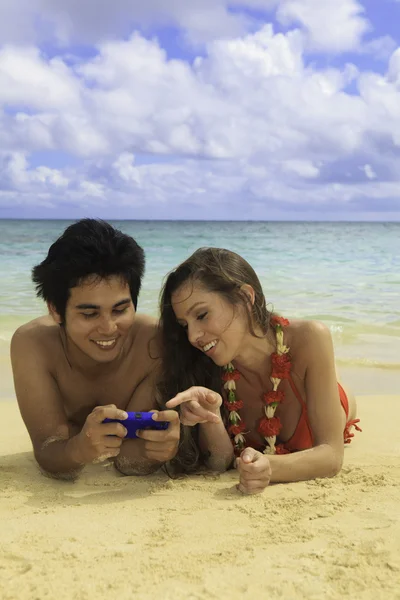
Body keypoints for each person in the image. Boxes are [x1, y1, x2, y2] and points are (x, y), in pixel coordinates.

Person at [159, 247, 362, 495]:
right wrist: (211, 418)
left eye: (202, 315)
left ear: (245, 297)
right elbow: (219, 463)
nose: (192, 336)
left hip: (328, 396)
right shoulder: (209, 365)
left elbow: (331, 456)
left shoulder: (309, 338)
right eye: (184, 325)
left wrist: (271, 467)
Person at [11, 219, 180, 480]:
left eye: (120, 309)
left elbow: (129, 461)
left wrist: (161, 448)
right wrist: (78, 450)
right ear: (55, 309)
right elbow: (48, 452)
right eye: (90, 313)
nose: (108, 328)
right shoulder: (33, 345)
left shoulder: (153, 343)